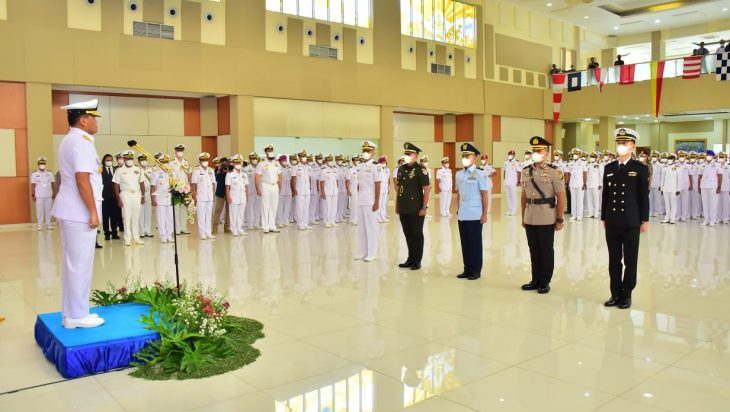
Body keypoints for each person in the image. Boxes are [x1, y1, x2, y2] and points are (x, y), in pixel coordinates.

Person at [51, 98, 105, 328]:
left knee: (73, 264)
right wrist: (93, 211)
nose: (96, 123)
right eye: (93, 118)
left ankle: (73, 313)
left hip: (70, 209)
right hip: (78, 211)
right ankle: (77, 316)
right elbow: (82, 180)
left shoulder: (70, 139)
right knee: (80, 265)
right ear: (83, 120)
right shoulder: (82, 143)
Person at [601, 128, 650, 310]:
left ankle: (627, 294)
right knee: (614, 259)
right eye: (619, 143)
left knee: (630, 260)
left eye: (625, 143)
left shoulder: (640, 168)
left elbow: (643, 196)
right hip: (612, 220)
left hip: (631, 221)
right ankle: (615, 293)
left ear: (633, 146)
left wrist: (645, 220)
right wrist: (604, 217)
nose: (621, 146)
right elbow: (606, 195)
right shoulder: (609, 168)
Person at [520, 136, 566, 294]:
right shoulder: (526, 170)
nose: (536, 153)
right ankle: (535, 279)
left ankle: (545, 281)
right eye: (534, 151)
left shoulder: (554, 171)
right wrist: (523, 217)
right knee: (533, 249)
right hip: (530, 216)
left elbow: (561, 196)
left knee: (546, 250)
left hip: (547, 215)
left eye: (539, 151)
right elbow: (524, 196)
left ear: (546, 153)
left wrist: (560, 218)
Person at [455, 143, 490, 280]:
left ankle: (475, 270)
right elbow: (458, 194)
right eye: (463, 156)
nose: (465, 158)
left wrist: (485, 214)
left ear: (474, 158)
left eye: (468, 156)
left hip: (475, 214)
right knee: (465, 243)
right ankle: (467, 269)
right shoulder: (459, 174)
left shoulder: (480, 174)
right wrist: (458, 209)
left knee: (475, 244)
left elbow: (485, 195)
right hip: (463, 213)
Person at [396, 143, 431, 270]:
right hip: (403, 207)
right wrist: (397, 205)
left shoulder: (421, 169)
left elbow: (426, 189)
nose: (406, 156)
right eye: (406, 154)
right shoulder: (401, 169)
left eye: (409, 154)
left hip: (416, 208)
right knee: (408, 234)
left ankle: (417, 261)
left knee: (417, 234)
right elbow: (399, 188)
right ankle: (410, 259)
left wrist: (424, 207)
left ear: (415, 155)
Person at [355, 141, 383, 262]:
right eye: (364, 151)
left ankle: (372, 253)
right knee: (361, 228)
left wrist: (376, 202)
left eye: (368, 151)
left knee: (371, 228)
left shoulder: (376, 166)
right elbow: (359, 183)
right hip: (361, 200)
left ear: (373, 152)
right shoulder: (360, 166)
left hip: (370, 201)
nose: (365, 153)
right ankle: (363, 252)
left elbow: (378, 185)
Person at [113, 150, 145, 246]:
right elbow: (115, 185)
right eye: (127, 158)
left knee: (136, 216)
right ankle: (127, 238)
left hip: (137, 194)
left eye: (131, 158)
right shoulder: (119, 170)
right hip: (125, 194)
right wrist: (118, 199)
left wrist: (143, 195)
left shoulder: (138, 169)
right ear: (124, 158)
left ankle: (136, 237)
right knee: (126, 216)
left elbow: (142, 183)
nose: (129, 160)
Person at [256, 145, 282, 233]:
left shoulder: (277, 163)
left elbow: (280, 175)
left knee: (274, 206)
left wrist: (280, 187)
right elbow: (257, 176)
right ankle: (265, 226)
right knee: (265, 206)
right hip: (265, 185)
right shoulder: (261, 164)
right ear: (266, 153)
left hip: (275, 186)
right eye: (269, 151)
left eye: (272, 151)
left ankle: (272, 225)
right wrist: (258, 189)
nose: (271, 153)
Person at [191, 152, 216, 239]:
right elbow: (193, 185)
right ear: (200, 161)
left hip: (209, 196)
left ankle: (208, 233)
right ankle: (202, 233)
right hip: (200, 196)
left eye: (206, 160)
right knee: (201, 216)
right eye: (203, 160)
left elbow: (213, 183)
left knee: (208, 216)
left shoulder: (211, 170)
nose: (205, 161)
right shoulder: (196, 171)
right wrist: (194, 196)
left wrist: (213, 194)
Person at [150, 154, 173, 243]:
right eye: (164, 162)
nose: (166, 164)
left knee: (170, 218)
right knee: (161, 218)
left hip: (170, 198)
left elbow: (175, 185)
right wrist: (153, 199)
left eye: (167, 162)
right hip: (160, 199)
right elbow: (152, 187)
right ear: (160, 163)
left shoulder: (171, 173)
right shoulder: (156, 173)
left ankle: (169, 235)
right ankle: (163, 235)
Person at [169, 144, 191, 235]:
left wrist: (189, 186)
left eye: (181, 150)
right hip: (176, 187)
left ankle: (183, 228)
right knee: (176, 208)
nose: (180, 152)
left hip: (185, 188)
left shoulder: (186, 162)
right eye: (178, 150)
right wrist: (173, 187)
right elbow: (170, 176)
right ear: (175, 151)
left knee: (184, 208)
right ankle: (177, 229)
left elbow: (189, 175)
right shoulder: (171, 163)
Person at [31, 156, 56, 231]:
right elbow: (33, 185)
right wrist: (33, 194)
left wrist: (54, 193)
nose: (42, 165)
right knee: (39, 211)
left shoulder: (50, 173)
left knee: (48, 210)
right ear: (38, 164)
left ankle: (48, 225)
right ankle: (40, 226)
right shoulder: (34, 174)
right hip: (39, 195)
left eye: (43, 163)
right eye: (40, 163)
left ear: (45, 164)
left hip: (48, 195)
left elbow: (53, 184)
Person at [226, 154, 248, 236]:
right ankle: (234, 229)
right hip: (233, 196)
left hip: (242, 196)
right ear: (234, 163)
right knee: (233, 214)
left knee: (241, 214)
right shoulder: (230, 174)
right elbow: (227, 187)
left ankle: (240, 228)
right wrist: (228, 197)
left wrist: (247, 195)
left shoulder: (244, 174)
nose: (238, 164)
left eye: (239, 162)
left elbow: (246, 186)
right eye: (237, 162)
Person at [699, 150, 722, 227]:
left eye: (709, 155)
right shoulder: (702, 165)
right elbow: (700, 176)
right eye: (707, 155)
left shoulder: (717, 165)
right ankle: (706, 220)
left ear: (713, 156)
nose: (708, 156)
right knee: (705, 204)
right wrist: (699, 186)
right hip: (704, 186)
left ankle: (712, 220)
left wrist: (719, 186)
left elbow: (720, 176)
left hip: (713, 186)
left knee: (713, 204)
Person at [292, 150, 312, 230]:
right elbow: (293, 179)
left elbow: (309, 178)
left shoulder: (308, 167)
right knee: (299, 207)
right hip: (299, 190)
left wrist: (309, 187)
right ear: (299, 158)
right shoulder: (296, 167)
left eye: (305, 157)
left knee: (306, 207)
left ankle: (305, 223)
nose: (304, 158)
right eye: (303, 157)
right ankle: (300, 223)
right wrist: (294, 189)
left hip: (307, 190)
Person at [566, 148, 587, 221]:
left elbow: (584, 173)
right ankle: (574, 215)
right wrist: (568, 183)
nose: (574, 155)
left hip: (580, 183)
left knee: (579, 200)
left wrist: (584, 184)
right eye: (574, 154)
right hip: (572, 183)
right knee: (573, 200)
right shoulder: (570, 163)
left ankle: (579, 215)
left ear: (579, 155)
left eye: (576, 154)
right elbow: (569, 174)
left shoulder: (583, 163)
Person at [212, 157, 231, 235]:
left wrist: (228, 171)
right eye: (222, 164)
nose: (224, 166)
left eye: (225, 164)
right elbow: (215, 179)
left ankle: (227, 228)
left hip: (229, 193)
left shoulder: (231, 169)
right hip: (220, 193)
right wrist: (219, 170)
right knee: (217, 210)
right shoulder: (217, 170)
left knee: (228, 211)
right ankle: (214, 228)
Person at [660, 154, 681, 224]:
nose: (669, 160)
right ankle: (667, 218)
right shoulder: (664, 168)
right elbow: (662, 179)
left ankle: (672, 218)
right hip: (665, 188)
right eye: (669, 159)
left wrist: (678, 189)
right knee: (667, 204)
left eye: (671, 159)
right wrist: (662, 189)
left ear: (674, 160)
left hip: (673, 189)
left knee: (673, 204)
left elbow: (679, 179)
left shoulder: (677, 168)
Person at [320, 154, 339, 228]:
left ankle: (332, 221)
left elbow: (337, 180)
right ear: (326, 162)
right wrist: (322, 192)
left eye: (331, 160)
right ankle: (326, 221)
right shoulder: (323, 170)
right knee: (327, 207)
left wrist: (337, 189)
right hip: (327, 191)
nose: (330, 162)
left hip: (334, 191)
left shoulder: (335, 170)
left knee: (334, 207)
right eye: (329, 160)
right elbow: (322, 182)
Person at [138, 154, 153, 237]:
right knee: (140, 212)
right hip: (139, 192)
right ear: (138, 161)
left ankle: (148, 231)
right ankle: (141, 231)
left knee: (148, 212)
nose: (144, 161)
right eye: (141, 160)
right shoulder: (136, 169)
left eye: (145, 159)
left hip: (148, 192)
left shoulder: (150, 169)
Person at [244, 152, 260, 230]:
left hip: (258, 191)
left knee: (258, 207)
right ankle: (250, 224)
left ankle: (256, 223)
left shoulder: (260, 168)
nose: (254, 160)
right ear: (250, 159)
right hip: (250, 191)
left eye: (255, 158)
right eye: (253, 158)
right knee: (249, 208)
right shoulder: (246, 169)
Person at [276, 154, 293, 227]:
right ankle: (279, 221)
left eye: (285, 160)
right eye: (283, 160)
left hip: (288, 190)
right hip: (280, 190)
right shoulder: (278, 169)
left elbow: (290, 179)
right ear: (280, 161)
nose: (285, 162)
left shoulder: (288, 169)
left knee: (287, 206)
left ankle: (285, 221)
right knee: (279, 207)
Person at [585, 152, 603, 219]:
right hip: (589, 184)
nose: (591, 158)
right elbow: (587, 175)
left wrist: (600, 184)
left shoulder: (599, 165)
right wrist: (586, 183)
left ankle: (596, 214)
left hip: (596, 185)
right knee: (589, 199)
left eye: (593, 157)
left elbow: (601, 175)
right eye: (591, 157)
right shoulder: (588, 165)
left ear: (596, 158)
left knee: (596, 199)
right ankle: (591, 213)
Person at [503, 150, 521, 215]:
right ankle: (509, 210)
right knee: (508, 197)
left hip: (513, 182)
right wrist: (504, 180)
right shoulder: (505, 162)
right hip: (507, 182)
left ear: (514, 155)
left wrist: (519, 181)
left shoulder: (517, 162)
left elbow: (519, 172)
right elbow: (504, 172)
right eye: (510, 154)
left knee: (513, 196)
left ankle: (514, 210)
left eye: (512, 154)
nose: (511, 155)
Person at [346, 155, 359, 225]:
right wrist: (348, 190)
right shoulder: (350, 169)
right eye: (356, 160)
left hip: (359, 190)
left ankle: (356, 219)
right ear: (353, 161)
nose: (357, 161)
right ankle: (353, 219)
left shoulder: (359, 169)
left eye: (358, 160)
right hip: (352, 190)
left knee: (357, 205)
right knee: (353, 205)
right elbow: (347, 180)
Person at [377, 156, 390, 222]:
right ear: (380, 162)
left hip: (385, 189)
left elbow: (387, 180)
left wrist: (388, 188)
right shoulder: (378, 168)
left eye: (385, 161)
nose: (385, 162)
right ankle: (378, 217)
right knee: (379, 203)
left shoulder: (386, 169)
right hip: (380, 189)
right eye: (384, 161)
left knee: (383, 204)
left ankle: (383, 216)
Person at [718, 152, 730, 224]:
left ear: (726, 158)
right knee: (718, 204)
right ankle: (719, 218)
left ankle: (725, 218)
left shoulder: (729, 167)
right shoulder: (716, 166)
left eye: (723, 157)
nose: (721, 158)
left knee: (726, 204)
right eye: (720, 157)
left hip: (726, 187)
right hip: (718, 187)